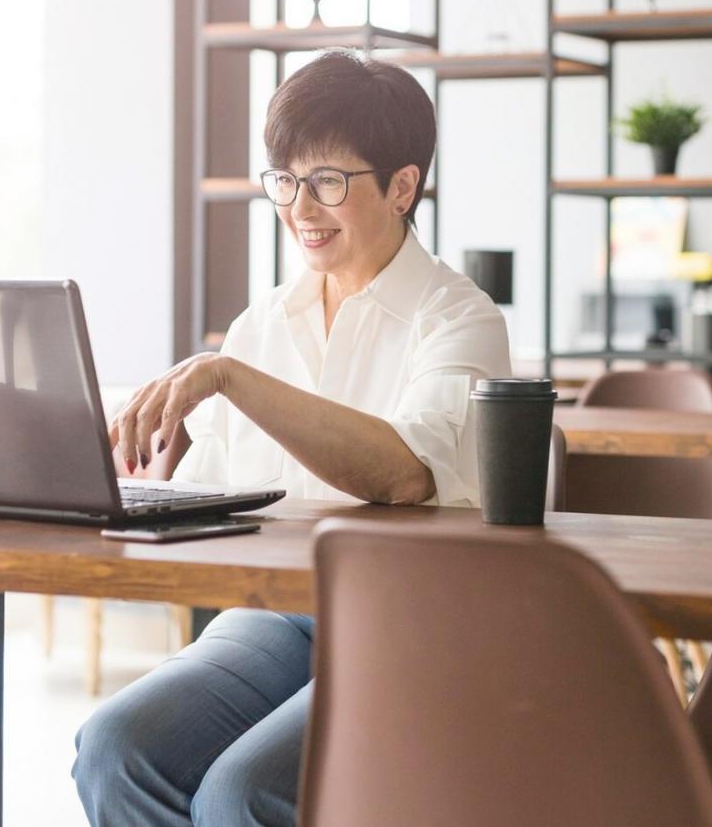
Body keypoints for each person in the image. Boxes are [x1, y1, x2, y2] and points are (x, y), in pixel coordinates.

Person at [71, 51, 510, 826]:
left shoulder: (459, 319)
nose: (301, 206)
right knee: (113, 746)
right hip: (273, 616)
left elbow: (407, 472)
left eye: (329, 182)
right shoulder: (262, 323)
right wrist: (132, 476)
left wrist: (229, 377)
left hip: (414, 623)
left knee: (243, 790)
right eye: (285, 180)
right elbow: (202, 488)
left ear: (402, 186)